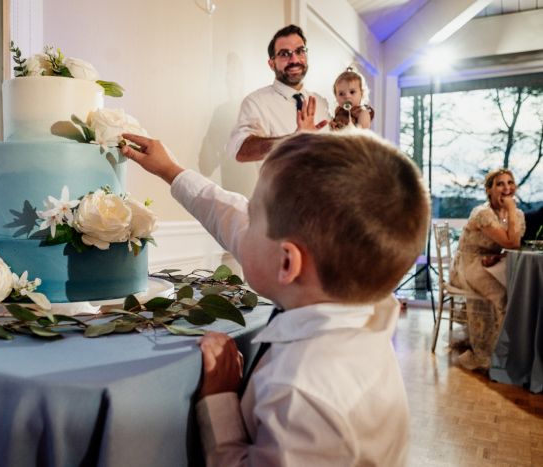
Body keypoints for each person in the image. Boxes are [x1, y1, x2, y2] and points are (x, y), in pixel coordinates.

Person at [121, 130, 430, 466]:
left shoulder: (303, 394)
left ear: (287, 262)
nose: (243, 223)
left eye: (253, 216)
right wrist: (171, 170)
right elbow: (231, 217)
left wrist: (220, 399)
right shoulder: (354, 304)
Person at [449, 168, 525, 371]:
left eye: (510, 183)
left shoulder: (516, 214)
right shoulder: (482, 213)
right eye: (500, 184)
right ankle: (496, 353)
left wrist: (498, 256)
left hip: (488, 261)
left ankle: (516, 348)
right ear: (489, 190)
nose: (506, 187)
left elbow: (508, 248)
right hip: (468, 263)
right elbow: (512, 243)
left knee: (517, 288)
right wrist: (510, 210)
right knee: (502, 296)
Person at [225, 25, 330, 170]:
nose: (294, 59)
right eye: (284, 54)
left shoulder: (320, 101)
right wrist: (292, 141)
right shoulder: (256, 102)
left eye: (300, 51)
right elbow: (239, 150)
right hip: (282, 192)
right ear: (271, 64)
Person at [330, 66, 375, 131]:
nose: (347, 96)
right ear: (336, 97)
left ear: (361, 94)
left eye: (352, 92)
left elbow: (362, 134)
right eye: (341, 94)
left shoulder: (363, 113)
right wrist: (333, 127)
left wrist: (352, 130)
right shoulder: (338, 111)